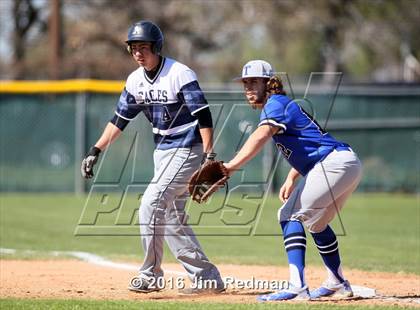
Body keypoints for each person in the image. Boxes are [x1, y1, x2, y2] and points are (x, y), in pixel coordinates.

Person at [81, 20, 224, 294]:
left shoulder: (179, 73)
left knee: (151, 203)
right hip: (163, 153)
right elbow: (119, 120)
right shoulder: (135, 80)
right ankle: (207, 278)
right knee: (171, 216)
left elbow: (203, 116)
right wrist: (95, 149)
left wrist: (209, 154)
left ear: (156, 47)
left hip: (188, 149)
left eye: (143, 47)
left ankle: (150, 275)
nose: (137, 53)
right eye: (133, 48)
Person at [223, 60, 362, 301]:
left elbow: (261, 135)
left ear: (270, 83)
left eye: (254, 81)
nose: (248, 87)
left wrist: (230, 166)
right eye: (245, 83)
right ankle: (338, 282)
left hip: (333, 164)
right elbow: (310, 143)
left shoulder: (274, 104)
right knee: (316, 224)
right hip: (345, 163)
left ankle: (297, 286)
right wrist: (291, 176)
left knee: (288, 215)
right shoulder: (282, 106)